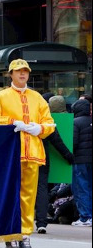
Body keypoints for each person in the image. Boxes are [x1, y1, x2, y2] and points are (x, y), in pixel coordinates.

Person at [0, 59, 55, 248]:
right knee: (10, 194)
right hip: (9, 154)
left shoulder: (37, 98)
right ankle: (10, 237)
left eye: (25, 71)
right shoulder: (1, 97)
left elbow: (49, 123)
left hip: (32, 153)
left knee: (28, 196)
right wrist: (12, 122)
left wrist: (38, 128)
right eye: (18, 71)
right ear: (11, 74)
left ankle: (24, 235)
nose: (22, 74)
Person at [34, 96, 75, 233]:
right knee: (42, 189)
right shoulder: (45, 119)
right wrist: (68, 156)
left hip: (23, 157)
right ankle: (41, 222)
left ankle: (23, 218)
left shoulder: (21, 118)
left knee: (22, 188)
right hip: (41, 157)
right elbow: (56, 139)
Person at [71, 98, 91, 226]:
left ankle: (85, 217)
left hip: (80, 160)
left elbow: (73, 142)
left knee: (81, 188)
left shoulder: (75, 122)